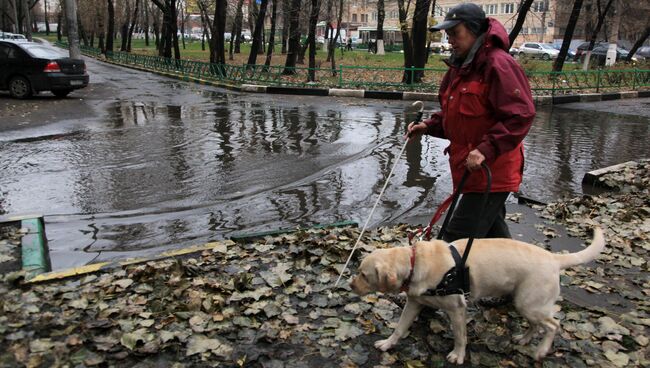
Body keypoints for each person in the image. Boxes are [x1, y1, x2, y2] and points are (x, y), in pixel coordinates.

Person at [407, 3, 535, 243]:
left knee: (455, 241)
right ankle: (517, 277)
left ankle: (448, 281)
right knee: (493, 240)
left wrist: (485, 150)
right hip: (470, 169)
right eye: (448, 34)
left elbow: (520, 115)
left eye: (456, 33)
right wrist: (428, 126)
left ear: (475, 30)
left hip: (491, 171)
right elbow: (456, 117)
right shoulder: (460, 66)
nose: (451, 39)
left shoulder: (498, 65)